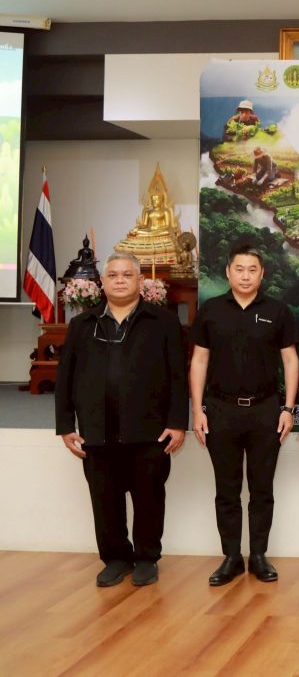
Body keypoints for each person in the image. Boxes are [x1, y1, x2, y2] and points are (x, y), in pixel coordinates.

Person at [55, 252, 187, 587]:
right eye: (112, 275)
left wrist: (177, 422)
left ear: (140, 281)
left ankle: (146, 558)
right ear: (102, 282)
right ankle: (116, 558)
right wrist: (66, 426)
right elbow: (65, 378)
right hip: (97, 429)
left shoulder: (163, 322)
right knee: (105, 500)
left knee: (148, 499)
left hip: (149, 430)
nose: (119, 280)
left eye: (127, 275)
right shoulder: (82, 325)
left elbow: (177, 376)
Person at [190, 245, 299, 586]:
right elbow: (199, 360)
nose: (246, 276)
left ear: (262, 274)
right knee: (227, 489)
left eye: (253, 270)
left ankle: (259, 556)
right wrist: (197, 410)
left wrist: (288, 408)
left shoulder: (277, 310)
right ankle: (231, 557)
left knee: (262, 488)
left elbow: (290, 360)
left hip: (265, 409)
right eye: (240, 269)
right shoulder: (211, 310)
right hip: (220, 410)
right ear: (228, 272)